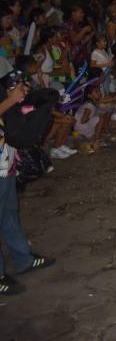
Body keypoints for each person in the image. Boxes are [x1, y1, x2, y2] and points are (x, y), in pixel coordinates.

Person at [0, 81, 55, 295]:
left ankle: (23, 258)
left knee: (9, 213)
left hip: (6, 162)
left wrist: (20, 96)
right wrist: (11, 99)